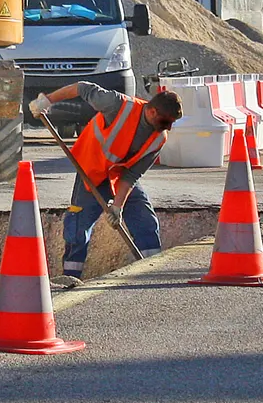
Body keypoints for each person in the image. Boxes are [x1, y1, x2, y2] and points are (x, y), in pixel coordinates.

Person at [29, 82, 183, 279]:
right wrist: (47, 100)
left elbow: (132, 175)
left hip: (118, 176)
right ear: (152, 111)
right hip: (91, 171)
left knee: (144, 218)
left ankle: (151, 271)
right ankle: (70, 278)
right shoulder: (117, 105)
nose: (168, 127)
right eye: (166, 121)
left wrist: (117, 206)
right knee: (78, 226)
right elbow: (81, 88)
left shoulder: (158, 138)